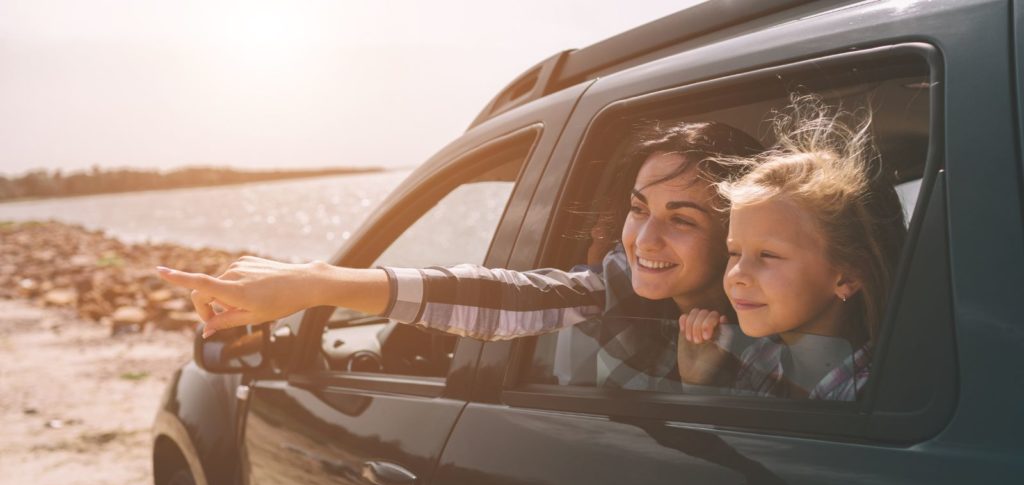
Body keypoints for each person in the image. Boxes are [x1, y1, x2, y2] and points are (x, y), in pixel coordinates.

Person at [157, 121, 764, 390]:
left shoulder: (785, 328)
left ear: (738, 229)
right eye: (638, 209)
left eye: (682, 219)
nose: (645, 239)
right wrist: (319, 283)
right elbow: (504, 298)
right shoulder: (612, 283)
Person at [679, 98, 907, 400]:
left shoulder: (881, 394)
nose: (737, 275)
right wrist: (697, 386)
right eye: (734, 252)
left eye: (768, 255)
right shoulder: (757, 363)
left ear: (847, 277)